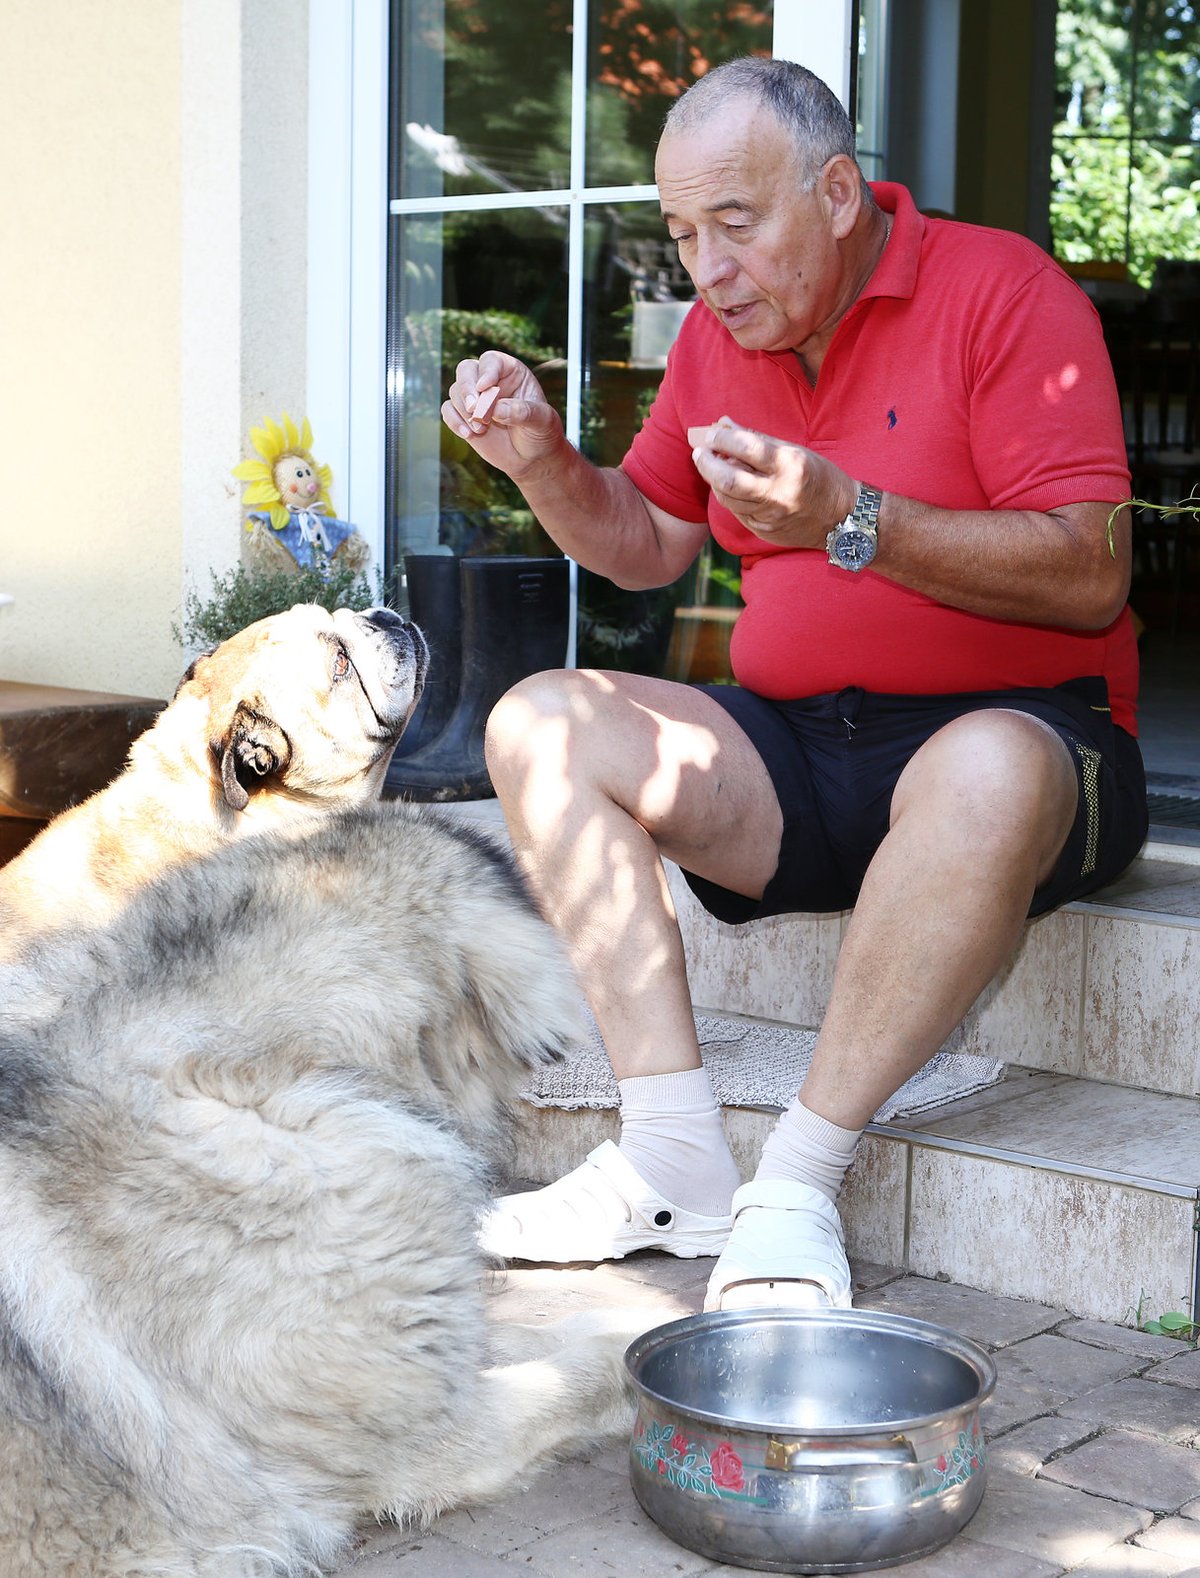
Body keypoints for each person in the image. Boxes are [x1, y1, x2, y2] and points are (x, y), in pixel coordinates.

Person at [440, 56, 1147, 1313]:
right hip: (801, 758)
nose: (704, 269)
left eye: (734, 223)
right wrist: (542, 459)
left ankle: (798, 1181)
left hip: (1031, 748)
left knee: (986, 764)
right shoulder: (722, 338)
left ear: (833, 192)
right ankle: (671, 1157)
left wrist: (850, 515)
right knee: (539, 719)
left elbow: (1092, 572)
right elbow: (649, 541)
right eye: (678, 232)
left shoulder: (1004, 293)